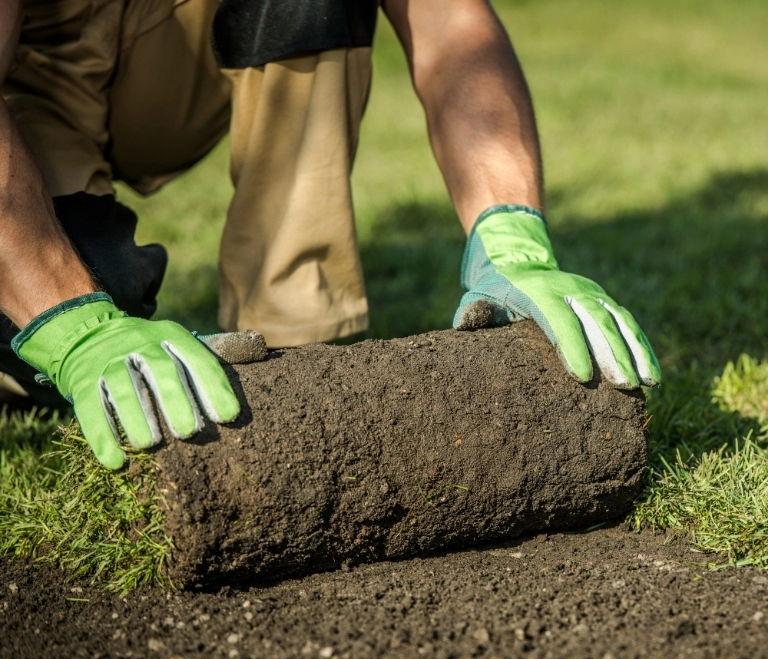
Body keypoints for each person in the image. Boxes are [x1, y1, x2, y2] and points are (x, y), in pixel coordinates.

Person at [0, 0, 660, 469]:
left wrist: (512, 233)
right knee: (68, 304)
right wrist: (71, 322)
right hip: (24, 76)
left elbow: (451, 22)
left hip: (162, 44)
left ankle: (293, 354)